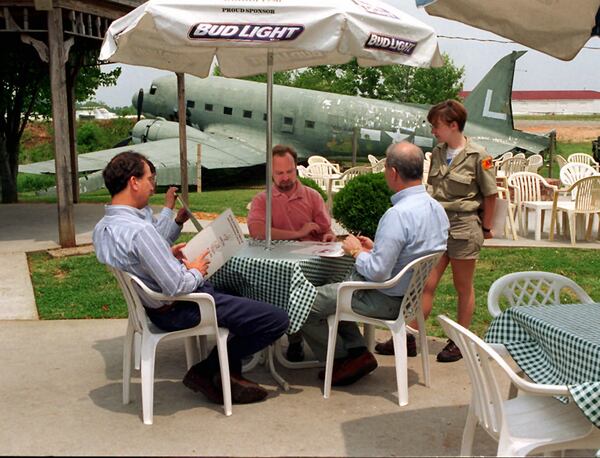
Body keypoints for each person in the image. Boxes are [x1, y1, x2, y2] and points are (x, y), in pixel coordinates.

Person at [93, 151, 289, 405]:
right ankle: (207, 370)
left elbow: (136, 262)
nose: (152, 188)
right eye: (150, 179)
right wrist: (197, 268)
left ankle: (227, 373)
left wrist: (165, 254)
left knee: (239, 294)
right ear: (134, 182)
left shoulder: (104, 228)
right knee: (276, 319)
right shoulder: (140, 231)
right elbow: (177, 286)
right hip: (181, 307)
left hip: (154, 308)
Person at [300, 141, 449, 386]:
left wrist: (357, 252)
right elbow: (409, 254)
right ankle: (358, 353)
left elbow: (378, 273)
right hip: (410, 299)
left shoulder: (398, 215)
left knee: (302, 301)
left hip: (383, 299)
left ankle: (340, 359)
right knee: (331, 287)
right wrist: (374, 249)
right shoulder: (435, 208)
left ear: (393, 173)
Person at [416, 100, 498, 363]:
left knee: (463, 287)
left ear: (453, 125)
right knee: (426, 283)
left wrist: (486, 227)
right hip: (438, 226)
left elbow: (490, 195)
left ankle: (459, 341)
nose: (433, 131)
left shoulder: (479, 156)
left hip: (464, 227)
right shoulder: (438, 152)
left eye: (436, 126)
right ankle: (409, 334)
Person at [247, 144, 336, 362]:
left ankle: (305, 340)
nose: (285, 177)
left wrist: (329, 236)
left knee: (308, 287)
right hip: (275, 267)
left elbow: (327, 229)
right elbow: (257, 231)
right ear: (271, 174)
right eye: (279, 173)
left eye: (289, 172)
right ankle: (288, 338)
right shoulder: (262, 200)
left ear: (296, 169)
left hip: (311, 267)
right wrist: (297, 232)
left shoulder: (312, 196)